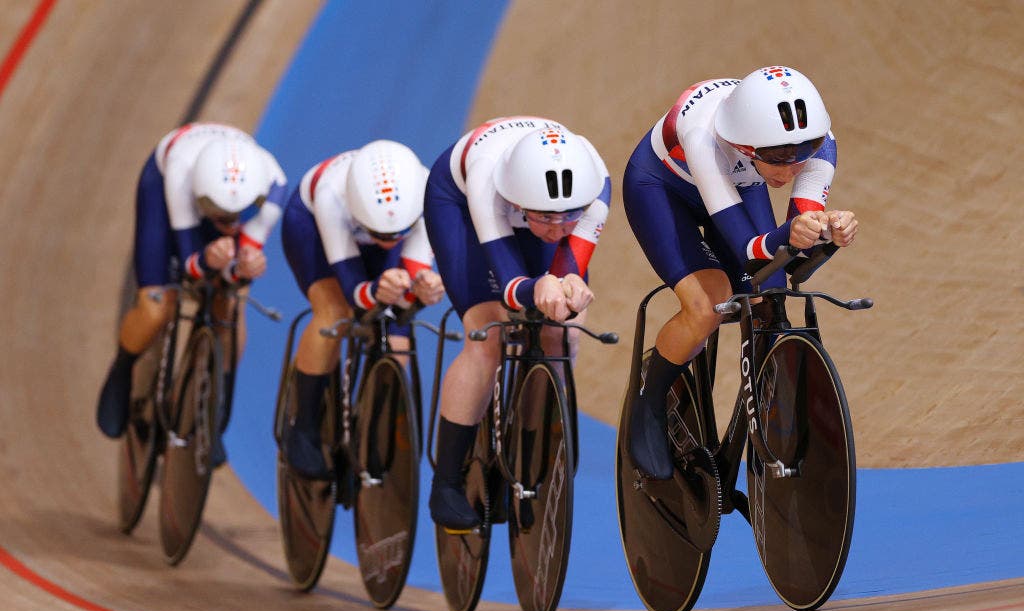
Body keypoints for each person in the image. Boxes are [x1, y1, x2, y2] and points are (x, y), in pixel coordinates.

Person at [622, 65, 859, 479]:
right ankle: (651, 400)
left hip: (739, 181)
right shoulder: (702, 135)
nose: (790, 172)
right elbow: (751, 250)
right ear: (743, 144)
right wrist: (790, 232)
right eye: (778, 159)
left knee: (772, 289)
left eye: (802, 154)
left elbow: (788, 256)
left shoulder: (817, 145)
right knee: (708, 305)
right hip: (661, 189)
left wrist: (827, 233)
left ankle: (777, 413)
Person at [423, 117, 611, 531]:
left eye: (568, 217)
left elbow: (568, 266)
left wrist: (570, 285)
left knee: (562, 330)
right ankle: (446, 482)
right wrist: (536, 286)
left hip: (535, 201)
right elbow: (510, 287)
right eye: (545, 218)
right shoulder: (489, 186)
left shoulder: (594, 183)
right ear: (521, 203)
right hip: (460, 206)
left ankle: (529, 450)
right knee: (487, 337)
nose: (557, 229)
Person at [96, 122, 287, 456]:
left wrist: (241, 267)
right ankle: (123, 368)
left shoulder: (274, 186)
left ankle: (215, 408)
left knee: (230, 306)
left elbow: (238, 269)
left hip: (219, 194)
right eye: (219, 215)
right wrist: (208, 259)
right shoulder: (182, 174)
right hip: (163, 190)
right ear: (202, 198)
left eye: (237, 216)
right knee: (158, 306)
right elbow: (189, 263)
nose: (229, 223)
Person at [281, 139, 444, 479]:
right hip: (312, 226)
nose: (389, 238)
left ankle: (375, 431)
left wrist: (423, 287)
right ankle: (304, 428)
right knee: (335, 313)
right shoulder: (331, 195)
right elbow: (355, 290)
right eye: (380, 232)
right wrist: (374, 290)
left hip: (380, 225)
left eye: (399, 232)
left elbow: (415, 271)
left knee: (398, 343)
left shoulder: (427, 193)